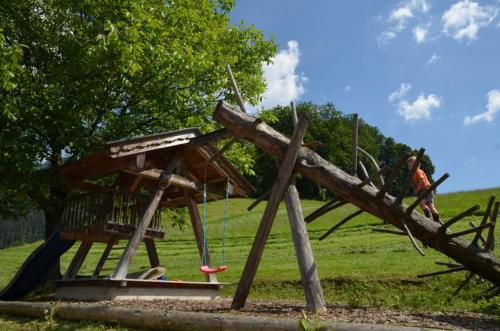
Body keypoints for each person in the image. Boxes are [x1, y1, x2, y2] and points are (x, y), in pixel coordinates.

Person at [407, 155, 440, 223]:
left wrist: (417, 190)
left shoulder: (418, 171)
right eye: (409, 166)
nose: (410, 167)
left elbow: (422, 181)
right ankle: (436, 221)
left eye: (412, 165)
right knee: (430, 206)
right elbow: (413, 184)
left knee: (422, 203)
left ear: (418, 165)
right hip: (423, 191)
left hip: (426, 190)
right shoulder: (412, 174)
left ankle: (430, 218)